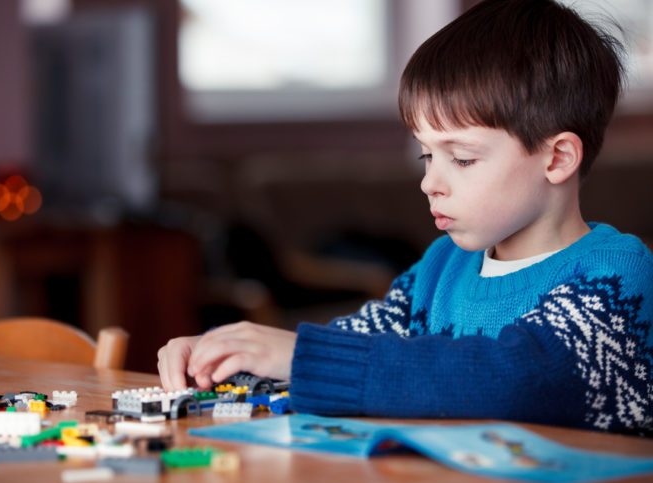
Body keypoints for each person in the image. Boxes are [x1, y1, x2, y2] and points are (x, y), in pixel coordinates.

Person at [158, 0, 653, 436]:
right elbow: (359, 345)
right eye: (425, 156)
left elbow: (520, 381)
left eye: (461, 158)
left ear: (557, 159)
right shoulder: (441, 268)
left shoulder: (615, 276)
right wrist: (222, 356)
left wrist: (299, 356)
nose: (430, 182)